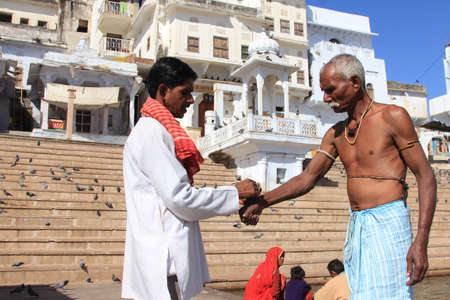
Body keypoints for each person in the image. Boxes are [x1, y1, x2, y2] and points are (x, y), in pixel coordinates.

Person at [240, 54, 436, 299]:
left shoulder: (392, 117)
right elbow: (307, 178)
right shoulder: (335, 133)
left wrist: (421, 240)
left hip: (389, 222)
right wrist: (262, 202)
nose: (325, 98)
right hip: (356, 225)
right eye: (323, 91)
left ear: (354, 82)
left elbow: (426, 176)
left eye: (330, 89)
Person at [121, 57, 261, 300]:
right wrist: (235, 192)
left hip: (164, 257)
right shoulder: (152, 132)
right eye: (185, 93)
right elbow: (179, 199)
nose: (190, 101)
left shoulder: (158, 130)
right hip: (163, 259)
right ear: (163, 91)